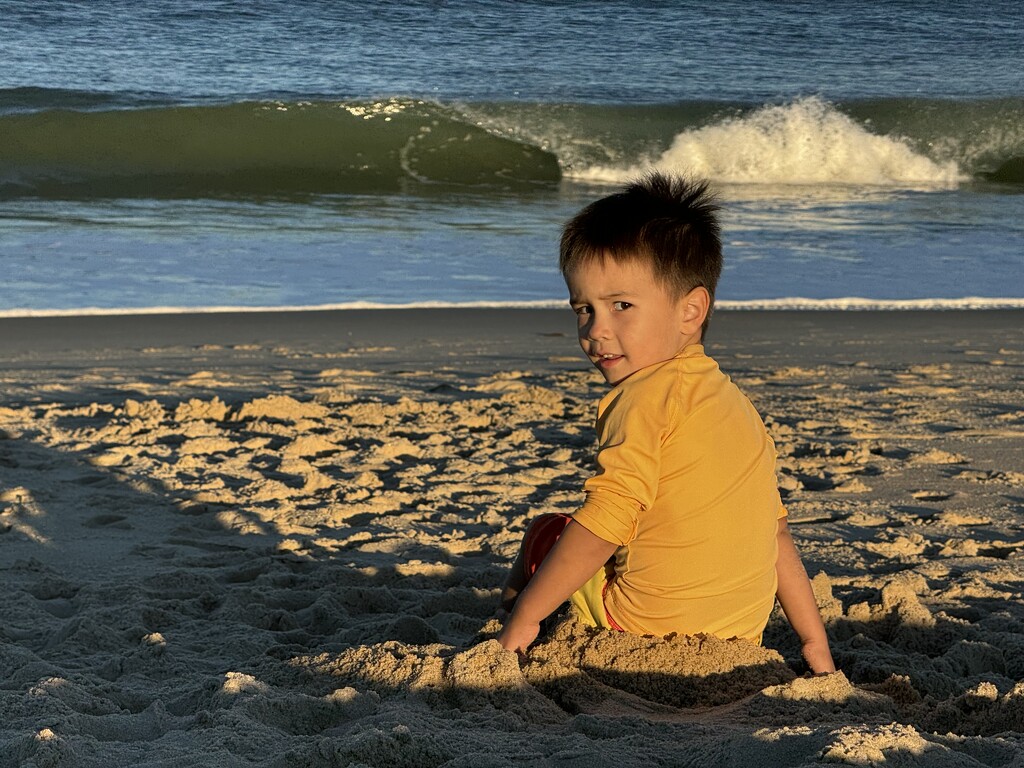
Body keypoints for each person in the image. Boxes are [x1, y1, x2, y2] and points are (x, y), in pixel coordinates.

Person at [496, 172, 835, 675]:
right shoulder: (736, 405)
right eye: (583, 309)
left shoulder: (641, 398)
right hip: (738, 637)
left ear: (690, 310)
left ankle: (512, 627)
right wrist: (814, 643)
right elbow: (776, 536)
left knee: (547, 533)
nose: (595, 330)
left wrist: (526, 615)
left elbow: (607, 521)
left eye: (621, 305)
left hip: (642, 629)